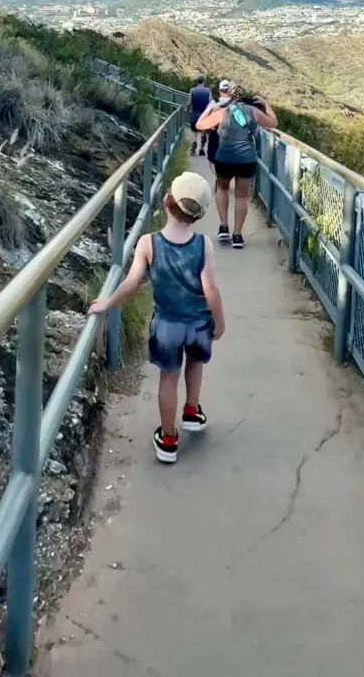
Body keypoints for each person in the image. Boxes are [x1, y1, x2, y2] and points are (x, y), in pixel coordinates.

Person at [88, 172, 225, 464]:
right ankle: (191, 410)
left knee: (168, 377)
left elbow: (132, 282)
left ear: (166, 201)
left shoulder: (149, 243)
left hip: (166, 326)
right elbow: (210, 288)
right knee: (195, 363)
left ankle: (168, 438)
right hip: (199, 322)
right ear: (199, 215)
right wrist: (220, 320)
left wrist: (108, 303)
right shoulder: (203, 245)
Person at [196, 81, 277, 249]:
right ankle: (238, 235)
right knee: (241, 196)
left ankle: (224, 226)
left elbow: (199, 125)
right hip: (246, 158)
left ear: (231, 96)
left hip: (224, 157)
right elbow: (273, 123)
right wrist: (265, 104)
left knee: (222, 189)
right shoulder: (254, 112)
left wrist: (211, 109)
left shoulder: (222, 112)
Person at [187, 75, 210, 156]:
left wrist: (188, 110)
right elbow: (210, 103)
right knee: (203, 131)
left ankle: (193, 142)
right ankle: (202, 149)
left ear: (197, 82)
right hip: (204, 115)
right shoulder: (208, 91)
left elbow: (189, 103)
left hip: (194, 114)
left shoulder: (192, 90)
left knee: (194, 131)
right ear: (204, 82)